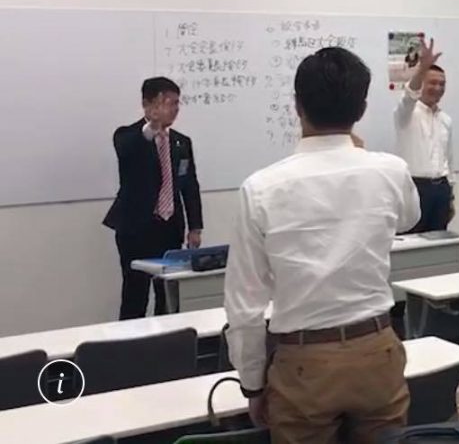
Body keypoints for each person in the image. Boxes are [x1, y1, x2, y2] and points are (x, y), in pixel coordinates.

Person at [225, 47, 421, 443]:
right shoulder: (390, 171)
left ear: (297, 106)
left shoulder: (261, 188)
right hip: (376, 350)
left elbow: (245, 304)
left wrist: (252, 384)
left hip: (303, 362)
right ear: (361, 108)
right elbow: (409, 218)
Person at [103, 77, 203, 320]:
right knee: (135, 294)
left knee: (168, 295)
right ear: (147, 105)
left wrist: (195, 227)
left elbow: (189, 185)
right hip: (136, 229)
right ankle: (129, 341)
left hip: (169, 228)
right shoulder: (127, 136)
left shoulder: (181, 142)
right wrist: (152, 127)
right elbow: (128, 150)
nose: (175, 109)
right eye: (168, 103)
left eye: (177, 103)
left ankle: (166, 338)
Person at [394, 35, 455, 233]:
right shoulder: (406, 114)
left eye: (442, 84)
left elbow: (449, 160)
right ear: (421, 84)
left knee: (439, 242)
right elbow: (408, 96)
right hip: (415, 188)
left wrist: (450, 195)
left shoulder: (445, 119)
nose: (437, 88)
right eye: (432, 83)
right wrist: (421, 69)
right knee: (412, 242)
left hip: (441, 189)